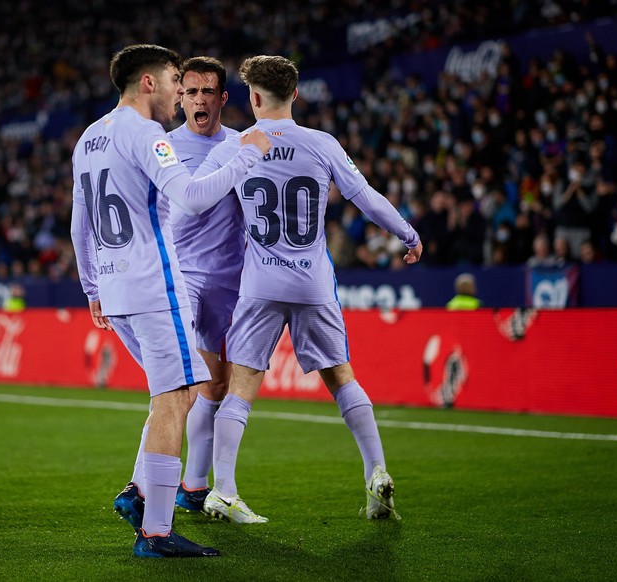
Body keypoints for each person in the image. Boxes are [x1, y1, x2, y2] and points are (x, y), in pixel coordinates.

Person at [195, 56, 423, 524]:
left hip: (259, 285)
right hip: (312, 282)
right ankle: (375, 471)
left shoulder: (238, 146)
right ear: (295, 95)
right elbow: (366, 199)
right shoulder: (322, 144)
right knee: (342, 378)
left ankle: (223, 490)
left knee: (240, 389)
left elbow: (194, 200)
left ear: (254, 98)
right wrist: (408, 234)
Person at [70, 44, 270, 558]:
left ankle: (138, 494)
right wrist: (249, 155)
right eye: (175, 79)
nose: (182, 90)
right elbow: (192, 198)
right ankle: (156, 530)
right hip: (154, 286)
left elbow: (80, 222)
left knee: (179, 392)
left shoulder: (89, 138)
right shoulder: (147, 134)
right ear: (149, 83)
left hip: (116, 290)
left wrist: (92, 286)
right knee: (174, 396)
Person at [166, 56, 245, 513]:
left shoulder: (241, 144)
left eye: (207, 92)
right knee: (186, 382)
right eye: (191, 91)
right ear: (180, 98)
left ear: (222, 99)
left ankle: (197, 485)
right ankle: (177, 486)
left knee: (218, 386)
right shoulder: (162, 146)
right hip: (183, 277)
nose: (199, 99)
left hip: (231, 281)